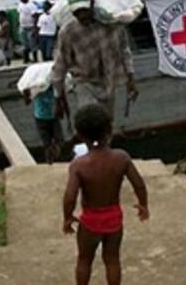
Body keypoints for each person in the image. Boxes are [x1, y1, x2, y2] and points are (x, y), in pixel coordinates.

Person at [63, 103, 149, 285]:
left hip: (90, 220)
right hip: (113, 218)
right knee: (112, 260)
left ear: (80, 135)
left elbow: (70, 196)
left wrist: (68, 217)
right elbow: (139, 184)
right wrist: (143, 204)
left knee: (84, 260)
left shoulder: (79, 165)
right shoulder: (121, 158)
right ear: (109, 130)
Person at [52, 0, 138, 122]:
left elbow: (124, 51)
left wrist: (131, 80)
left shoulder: (111, 23)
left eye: (84, 10)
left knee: (106, 122)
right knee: (91, 120)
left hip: (108, 82)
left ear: (92, 5)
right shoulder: (68, 32)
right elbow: (60, 66)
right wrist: (58, 97)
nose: (82, 16)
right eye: (77, 12)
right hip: (84, 83)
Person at [23, 86, 62, 164]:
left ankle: (55, 158)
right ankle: (50, 161)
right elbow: (27, 102)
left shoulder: (52, 87)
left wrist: (60, 108)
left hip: (52, 117)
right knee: (47, 143)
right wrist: (26, 93)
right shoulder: (36, 88)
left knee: (58, 141)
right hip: (42, 119)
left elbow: (60, 98)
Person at [18, 0, 39, 64]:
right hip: (23, 27)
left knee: (32, 44)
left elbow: (35, 17)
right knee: (24, 44)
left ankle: (35, 59)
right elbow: (20, 14)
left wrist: (35, 29)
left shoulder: (32, 6)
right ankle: (26, 59)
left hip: (30, 27)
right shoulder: (20, 5)